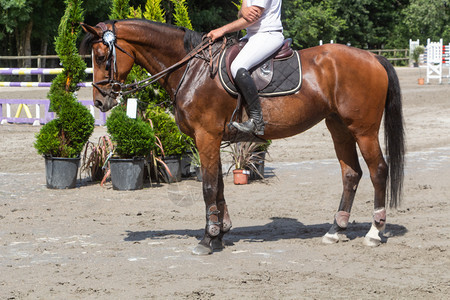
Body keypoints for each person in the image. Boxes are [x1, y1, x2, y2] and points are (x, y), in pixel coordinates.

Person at [207, 0, 284, 135]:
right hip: (253, 36)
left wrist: (222, 30)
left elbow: (252, 18)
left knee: (237, 67)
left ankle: (256, 121)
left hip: (267, 34)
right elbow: (242, 14)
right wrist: (243, 10)